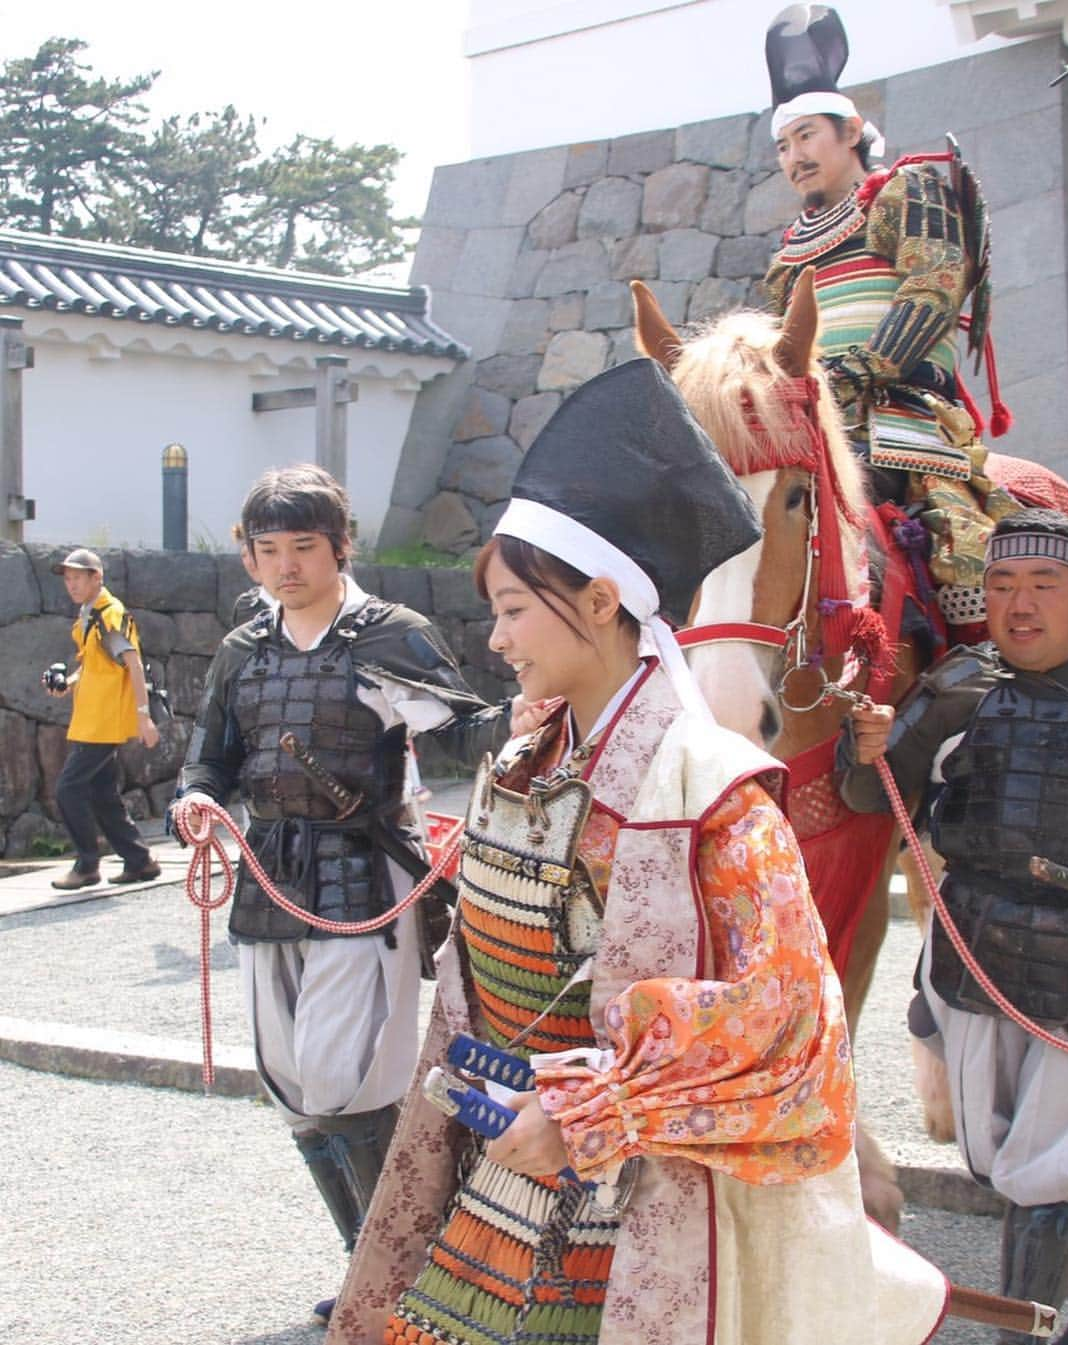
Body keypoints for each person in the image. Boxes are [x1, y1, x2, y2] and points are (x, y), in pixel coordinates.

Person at [328, 360, 950, 1345]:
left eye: (515, 609)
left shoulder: (711, 791)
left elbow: (788, 1022)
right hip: (501, 1183)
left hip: (647, 1219)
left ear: (606, 601)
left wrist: (596, 1107)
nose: (496, 640)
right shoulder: (529, 757)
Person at [170, 464, 521, 1324]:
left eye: (303, 546)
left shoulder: (389, 634)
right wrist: (195, 798)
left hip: (366, 874)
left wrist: (539, 699)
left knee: (347, 1079)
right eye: (269, 550)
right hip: (267, 877)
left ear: (340, 546)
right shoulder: (240, 651)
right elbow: (209, 754)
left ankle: (407, 1268)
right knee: (293, 1089)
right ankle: (369, 1266)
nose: (286, 565)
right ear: (248, 558)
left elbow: (467, 729)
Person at [841, 507, 1068, 1344]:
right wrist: (866, 745)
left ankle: (1032, 1331)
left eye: (1045, 584)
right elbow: (876, 795)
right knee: (1003, 1159)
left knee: (1053, 1173)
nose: (1022, 603)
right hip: (974, 961)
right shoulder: (958, 691)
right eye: (1005, 584)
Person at [762, 3, 1019, 641]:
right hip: (812, 418)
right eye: (783, 146)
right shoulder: (791, 247)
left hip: (899, 414)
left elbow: (933, 284)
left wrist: (858, 371)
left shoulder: (902, 192)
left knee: (957, 554)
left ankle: (978, 666)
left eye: (807, 137)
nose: (794, 157)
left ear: (850, 132)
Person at [44, 547, 161, 891]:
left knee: (68, 789)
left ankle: (86, 864)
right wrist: (67, 684)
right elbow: (97, 665)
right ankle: (139, 861)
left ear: (97, 577)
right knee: (102, 793)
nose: (72, 584)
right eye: (68, 579)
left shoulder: (109, 614)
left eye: (78, 577)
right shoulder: (90, 614)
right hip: (92, 718)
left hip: (103, 722)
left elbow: (133, 664)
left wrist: (144, 717)